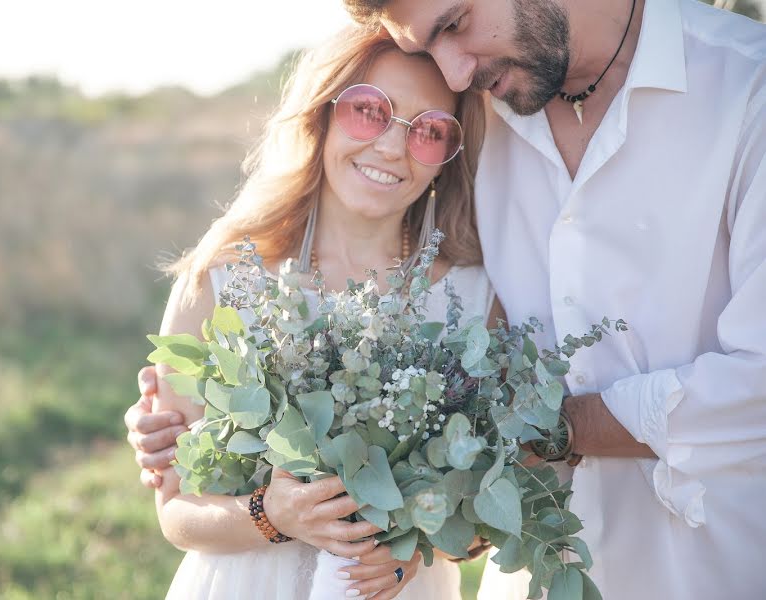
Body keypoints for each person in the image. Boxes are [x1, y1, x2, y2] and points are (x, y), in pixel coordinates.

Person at [331, 0, 765, 599]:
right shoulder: (470, 114)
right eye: (428, 50)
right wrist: (215, 408)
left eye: (455, 24)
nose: (454, 75)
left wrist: (549, 429)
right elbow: (357, 219)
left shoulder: (748, 89)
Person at [126, 25, 500, 600]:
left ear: (448, 157)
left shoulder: (472, 299)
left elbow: (480, 521)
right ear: (321, 115)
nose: (392, 147)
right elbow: (176, 510)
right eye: (370, 111)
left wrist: (411, 553)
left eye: (428, 130)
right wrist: (271, 515)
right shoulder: (224, 278)